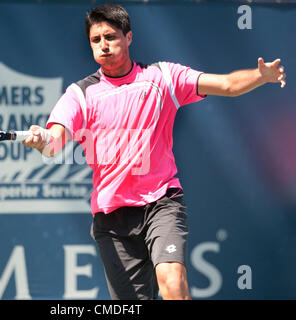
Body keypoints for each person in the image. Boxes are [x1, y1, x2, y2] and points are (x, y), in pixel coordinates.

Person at [22, 4, 286, 300]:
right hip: (112, 219)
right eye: (96, 40)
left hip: (162, 203)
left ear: (129, 37)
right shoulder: (79, 94)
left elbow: (226, 84)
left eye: (110, 37)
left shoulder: (162, 77)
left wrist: (261, 76)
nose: (103, 45)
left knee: (173, 286)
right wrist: (41, 139)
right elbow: (54, 142)